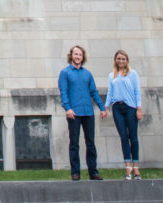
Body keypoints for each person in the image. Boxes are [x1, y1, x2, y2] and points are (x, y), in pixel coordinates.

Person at [58, 44, 106, 180]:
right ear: (71, 56)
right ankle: (75, 172)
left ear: (82, 57)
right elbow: (64, 92)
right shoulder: (65, 73)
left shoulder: (87, 74)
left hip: (88, 112)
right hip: (74, 113)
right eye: (75, 54)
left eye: (80, 54)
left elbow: (94, 92)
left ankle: (93, 172)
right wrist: (67, 108)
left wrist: (102, 107)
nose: (78, 57)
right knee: (74, 143)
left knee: (90, 143)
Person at [104, 49, 143, 180]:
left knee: (133, 137)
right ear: (115, 60)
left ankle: (136, 167)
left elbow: (137, 92)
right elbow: (110, 92)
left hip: (130, 107)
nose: (121, 61)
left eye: (123, 59)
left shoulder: (132, 74)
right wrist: (105, 106)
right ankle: (128, 167)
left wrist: (139, 109)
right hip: (117, 107)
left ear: (126, 61)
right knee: (123, 137)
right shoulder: (112, 75)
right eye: (118, 58)